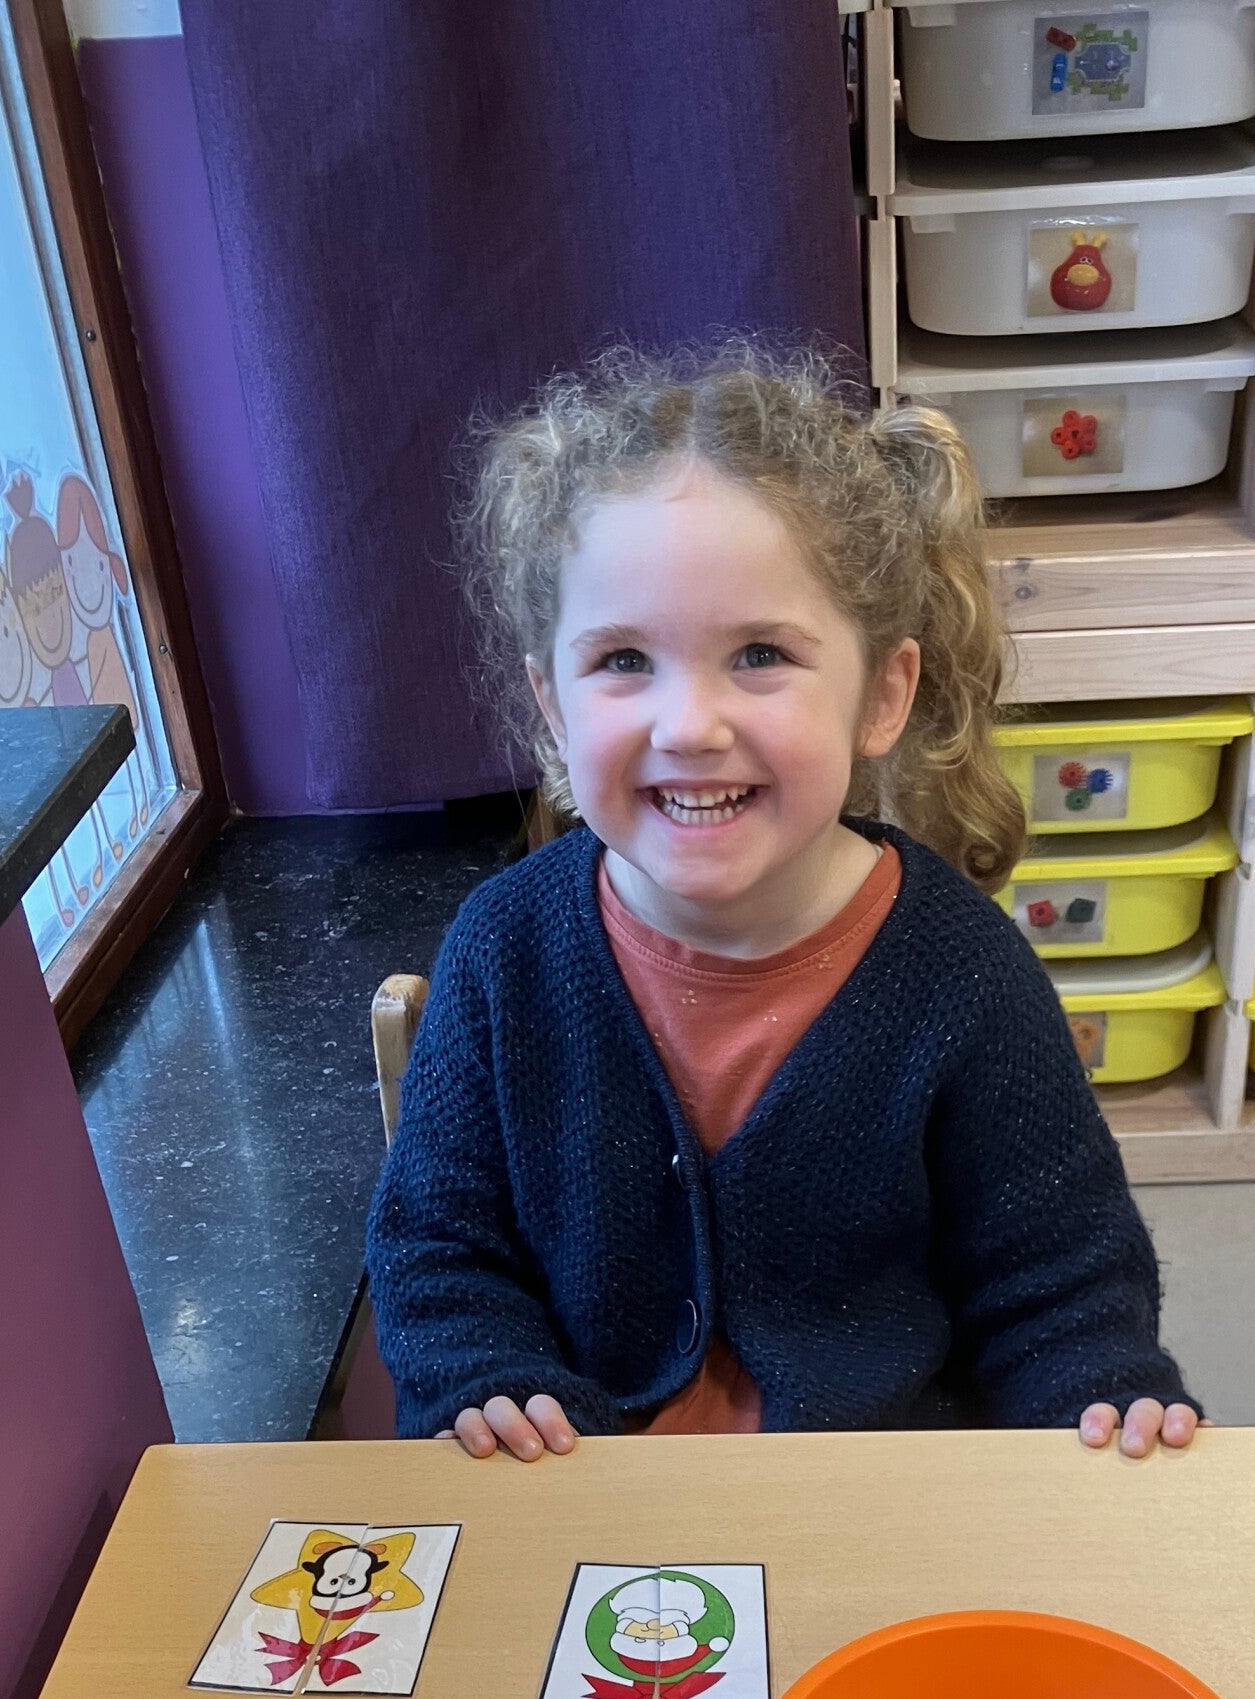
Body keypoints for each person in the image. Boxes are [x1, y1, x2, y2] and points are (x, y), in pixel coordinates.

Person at [367, 346, 1199, 1461]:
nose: (688, 726)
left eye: (759, 654)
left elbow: (1059, 1282)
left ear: (882, 695)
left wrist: (1099, 1394)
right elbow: (439, 1250)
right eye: (623, 660)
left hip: (874, 1491)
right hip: (576, 1489)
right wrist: (487, 1380)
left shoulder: (965, 972)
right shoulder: (502, 948)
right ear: (552, 705)